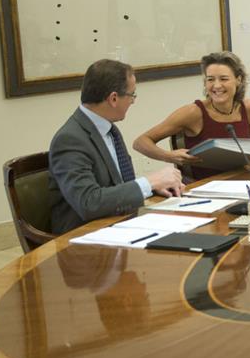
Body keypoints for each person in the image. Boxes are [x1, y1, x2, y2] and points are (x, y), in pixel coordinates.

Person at [49, 59, 184, 234]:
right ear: (113, 98)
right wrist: (148, 182)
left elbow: (117, 184)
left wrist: (154, 186)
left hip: (120, 223)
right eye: (132, 95)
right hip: (86, 238)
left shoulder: (109, 129)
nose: (133, 102)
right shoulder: (69, 139)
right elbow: (88, 202)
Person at [133, 51, 250, 180]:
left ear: (238, 80)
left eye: (224, 79)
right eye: (210, 79)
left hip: (243, 182)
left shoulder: (249, 108)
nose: (216, 85)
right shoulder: (193, 113)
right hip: (203, 188)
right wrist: (169, 156)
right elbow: (140, 142)